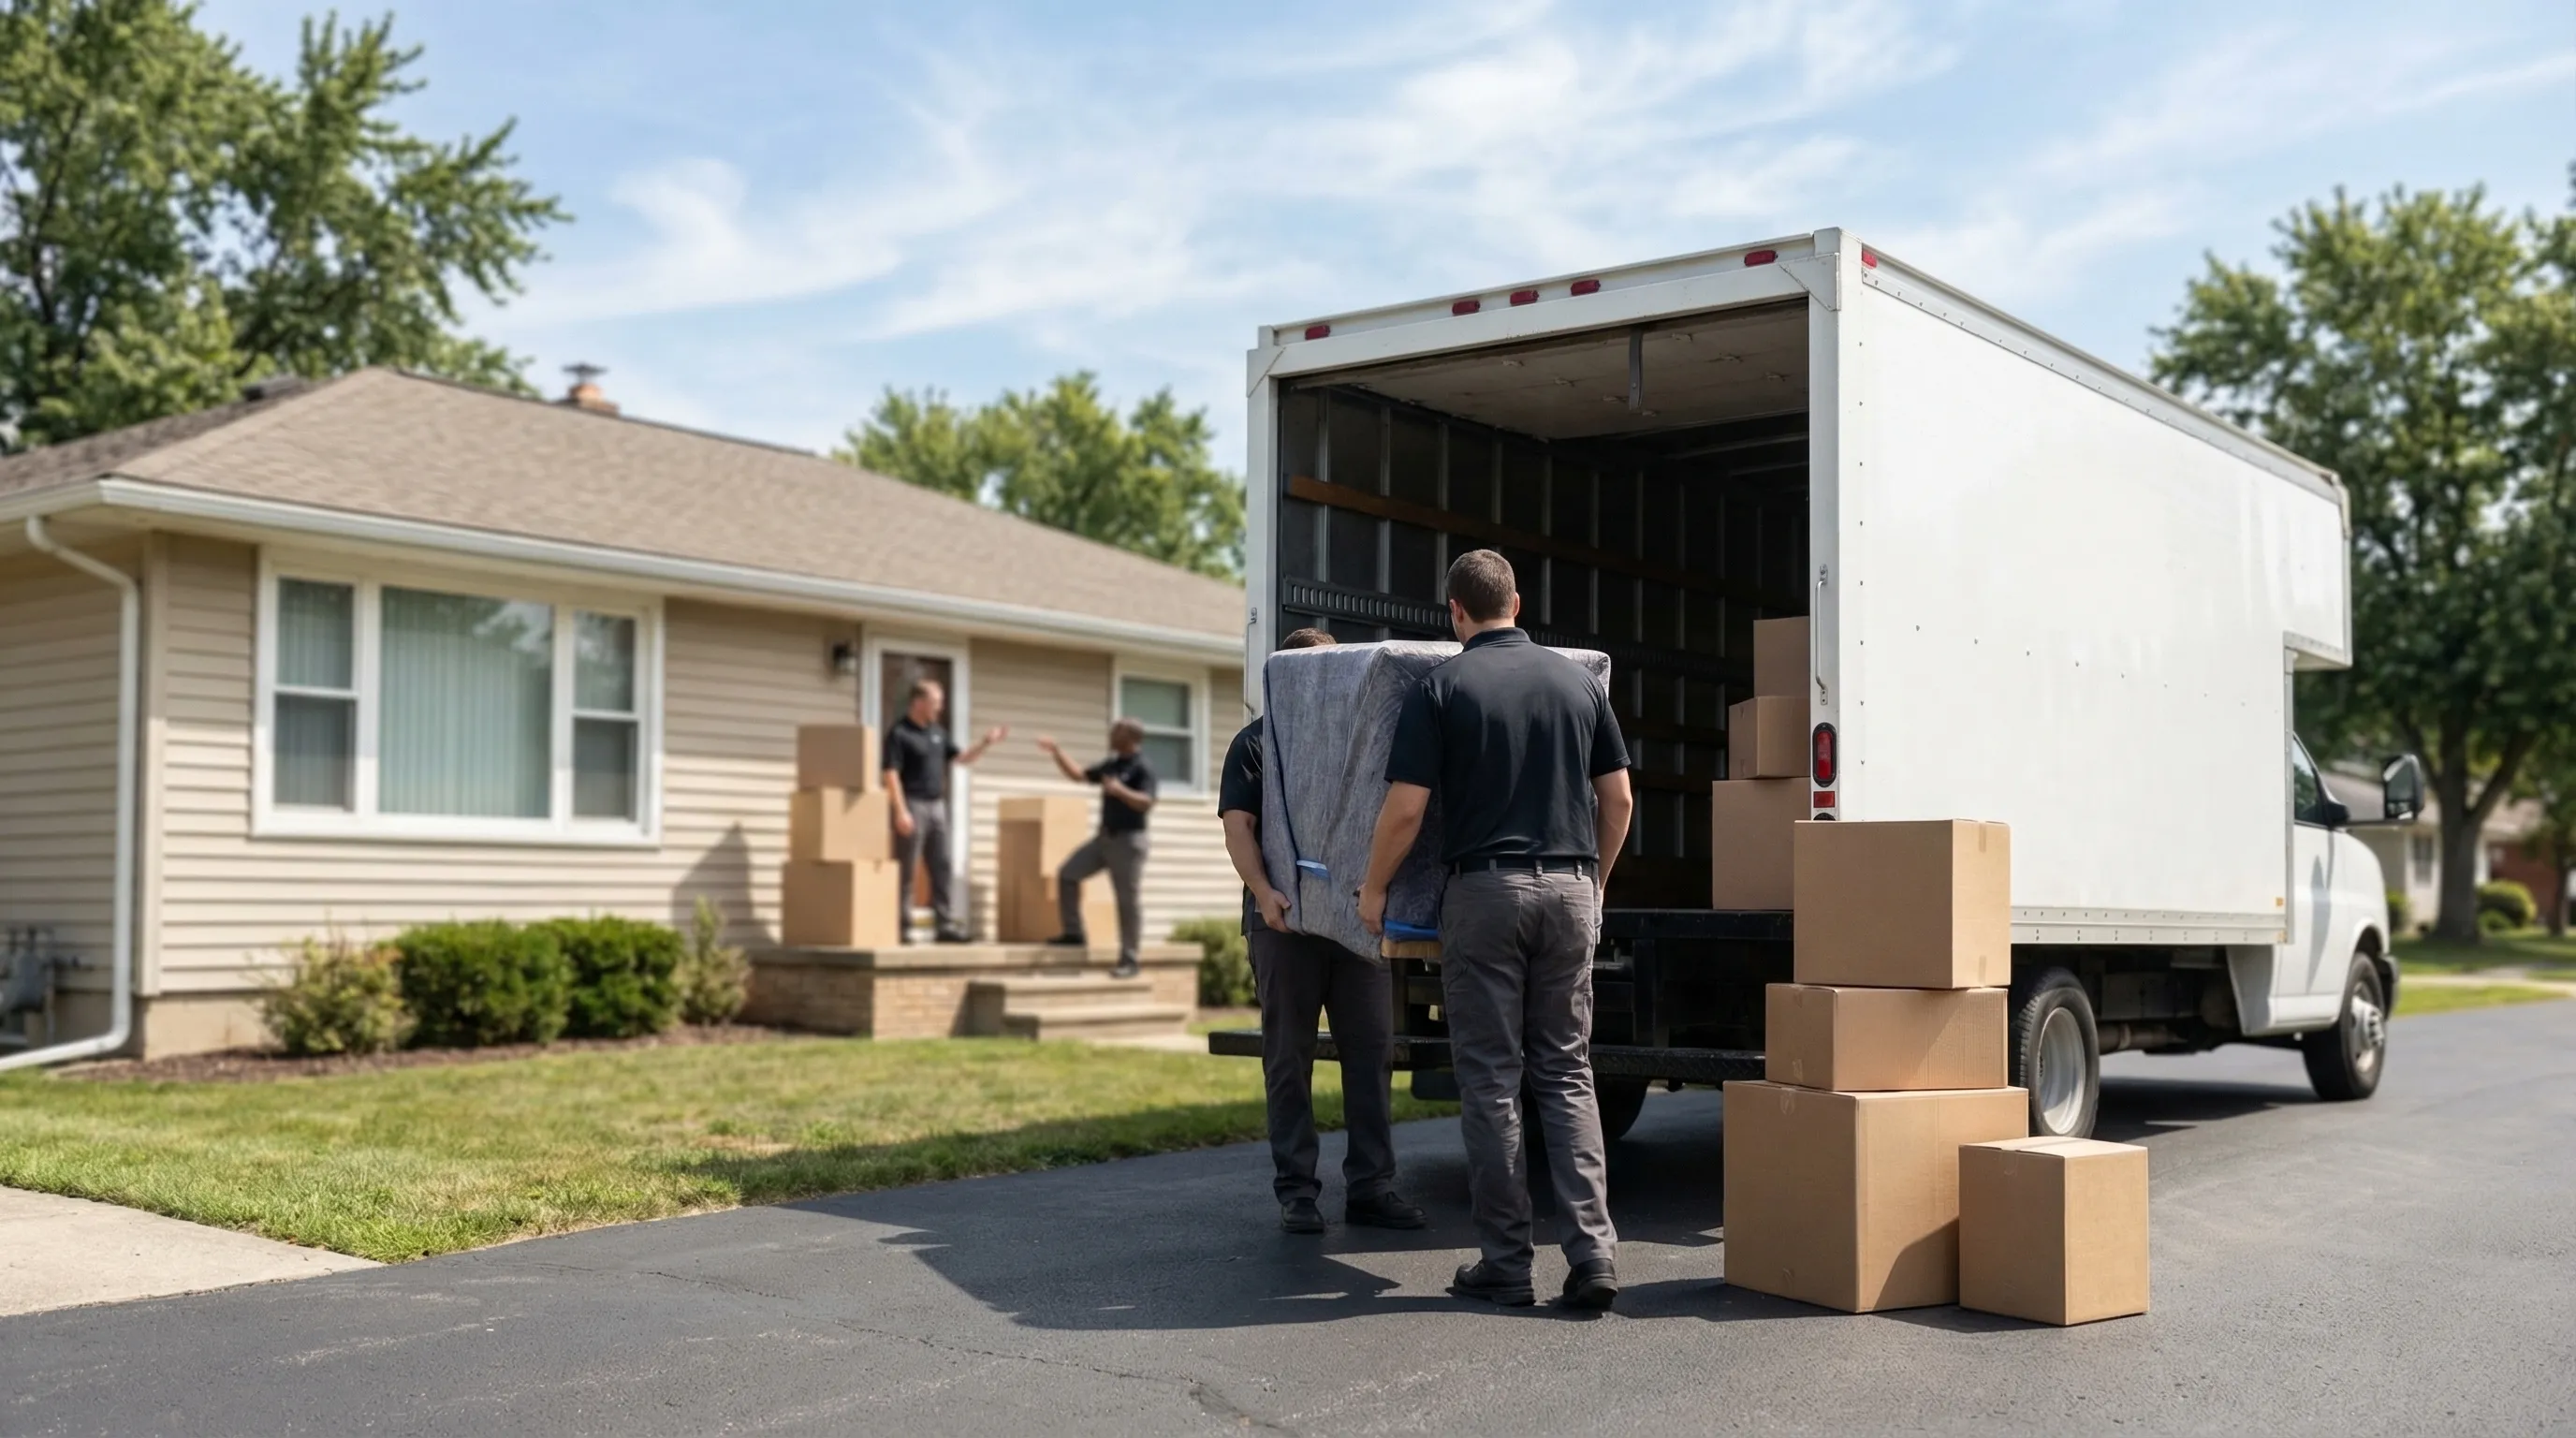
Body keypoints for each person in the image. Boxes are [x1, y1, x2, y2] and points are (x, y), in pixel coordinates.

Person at [1359, 550, 1633, 1312]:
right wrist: (1596, 883)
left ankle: (1508, 1264)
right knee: (1567, 1074)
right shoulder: (1579, 682)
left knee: (1490, 1080)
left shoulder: (1440, 686)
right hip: (1570, 887)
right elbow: (1618, 801)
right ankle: (1593, 1257)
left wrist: (1375, 888)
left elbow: (1407, 809)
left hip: (1484, 894)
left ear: (1455, 612)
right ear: (1518, 601)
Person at [1222, 627, 1427, 1236]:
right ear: (1286, 680)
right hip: (1283, 923)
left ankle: (1371, 1188)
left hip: (1352, 920)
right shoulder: (1257, 743)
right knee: (1290, 1056)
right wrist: (1264, 894)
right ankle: (1297, 1193)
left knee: (1371, 1052)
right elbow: (1239, 827)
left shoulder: (1355, 744)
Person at [883, 679, 1007, 944]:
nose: (939, 708)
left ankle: (945, 925)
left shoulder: (938, 733)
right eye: (935, 702)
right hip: (913, 803)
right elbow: (890, 773)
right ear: (918, 702)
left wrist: (985, 742)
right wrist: (900, 811)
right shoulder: (899, 733)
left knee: (943, 864)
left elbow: (961, 759)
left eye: (940, 703)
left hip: (937, 805)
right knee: (907, 869)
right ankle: (902, 927)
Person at [1038, 719, 1157, 977]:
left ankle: (1130, 960)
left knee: (1127, 902)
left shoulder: (1141, 767)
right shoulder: (1112, 765)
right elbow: (1079, 775)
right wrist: (1057, 752)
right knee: (1068, 874)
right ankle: (1074, 933)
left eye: (1117, 731)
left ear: (1130, 738)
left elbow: (1147, 802)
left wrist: (1121, 791)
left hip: (1129, 843)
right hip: (1104, 840)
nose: (1111, 734)